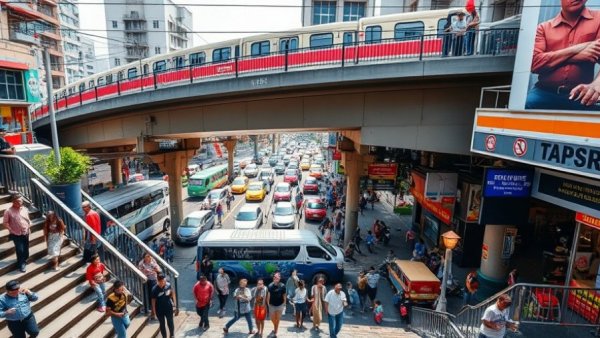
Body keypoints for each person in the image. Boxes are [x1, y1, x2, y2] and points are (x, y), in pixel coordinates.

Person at [527, 0, 600, 110]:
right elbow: (534, 64)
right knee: (518, 114)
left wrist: (596, 85)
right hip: (543, 93)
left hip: (581, 96)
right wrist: (576, 50)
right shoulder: (543, 28)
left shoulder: (598, 19)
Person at [3, 194, 32, 273]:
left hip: (26, 232)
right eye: (19, 201)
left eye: (21, 201)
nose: (21, 202)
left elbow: (28, 219)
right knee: (20, 249)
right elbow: (5, 223)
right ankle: (21, 264)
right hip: (16, 233)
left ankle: (24, 259)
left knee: (26, 249)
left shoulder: (25, 209)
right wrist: (11, 230)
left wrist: (29, 225)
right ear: (14, 202)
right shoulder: (8, 211)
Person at [152, 273, 176, 338]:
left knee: (170, 322)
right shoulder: (154, 289)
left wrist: (174, 304)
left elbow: (173, 293)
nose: (163, 283)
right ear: (158, 281)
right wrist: (154, 312)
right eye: (161, 282)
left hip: (168, 307)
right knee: (162, 324)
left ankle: (172, 335)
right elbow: (153, 302)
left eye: (164, 281)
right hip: (159, 309)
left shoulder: (168, 285)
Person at [138, 252, 162, 318]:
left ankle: (154, 309)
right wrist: (145, 272)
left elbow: (159, 269)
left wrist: (156, 270)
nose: (149, 258)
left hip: (153, 279)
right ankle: (148, 307)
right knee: (147, 294)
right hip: (145, 280)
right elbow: (139, 271)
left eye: (149, 256)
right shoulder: (141, 263)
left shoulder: (153, 261)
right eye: (147, 256)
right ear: (144, 258)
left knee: (153, 293)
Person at [266, 272, 286, 338]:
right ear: (273, 278)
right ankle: (275, 327)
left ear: (279, 278)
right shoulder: (270, 286)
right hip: (271, 305)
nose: (276, 278)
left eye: (277, 277)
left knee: (278, 318)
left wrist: (284, 304)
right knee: (272, 318)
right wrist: (268, 304)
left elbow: (284, 295)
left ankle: (275, 331)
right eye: (275, 277)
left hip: (280, 305)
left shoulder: (282, 286)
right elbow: (268, 295)